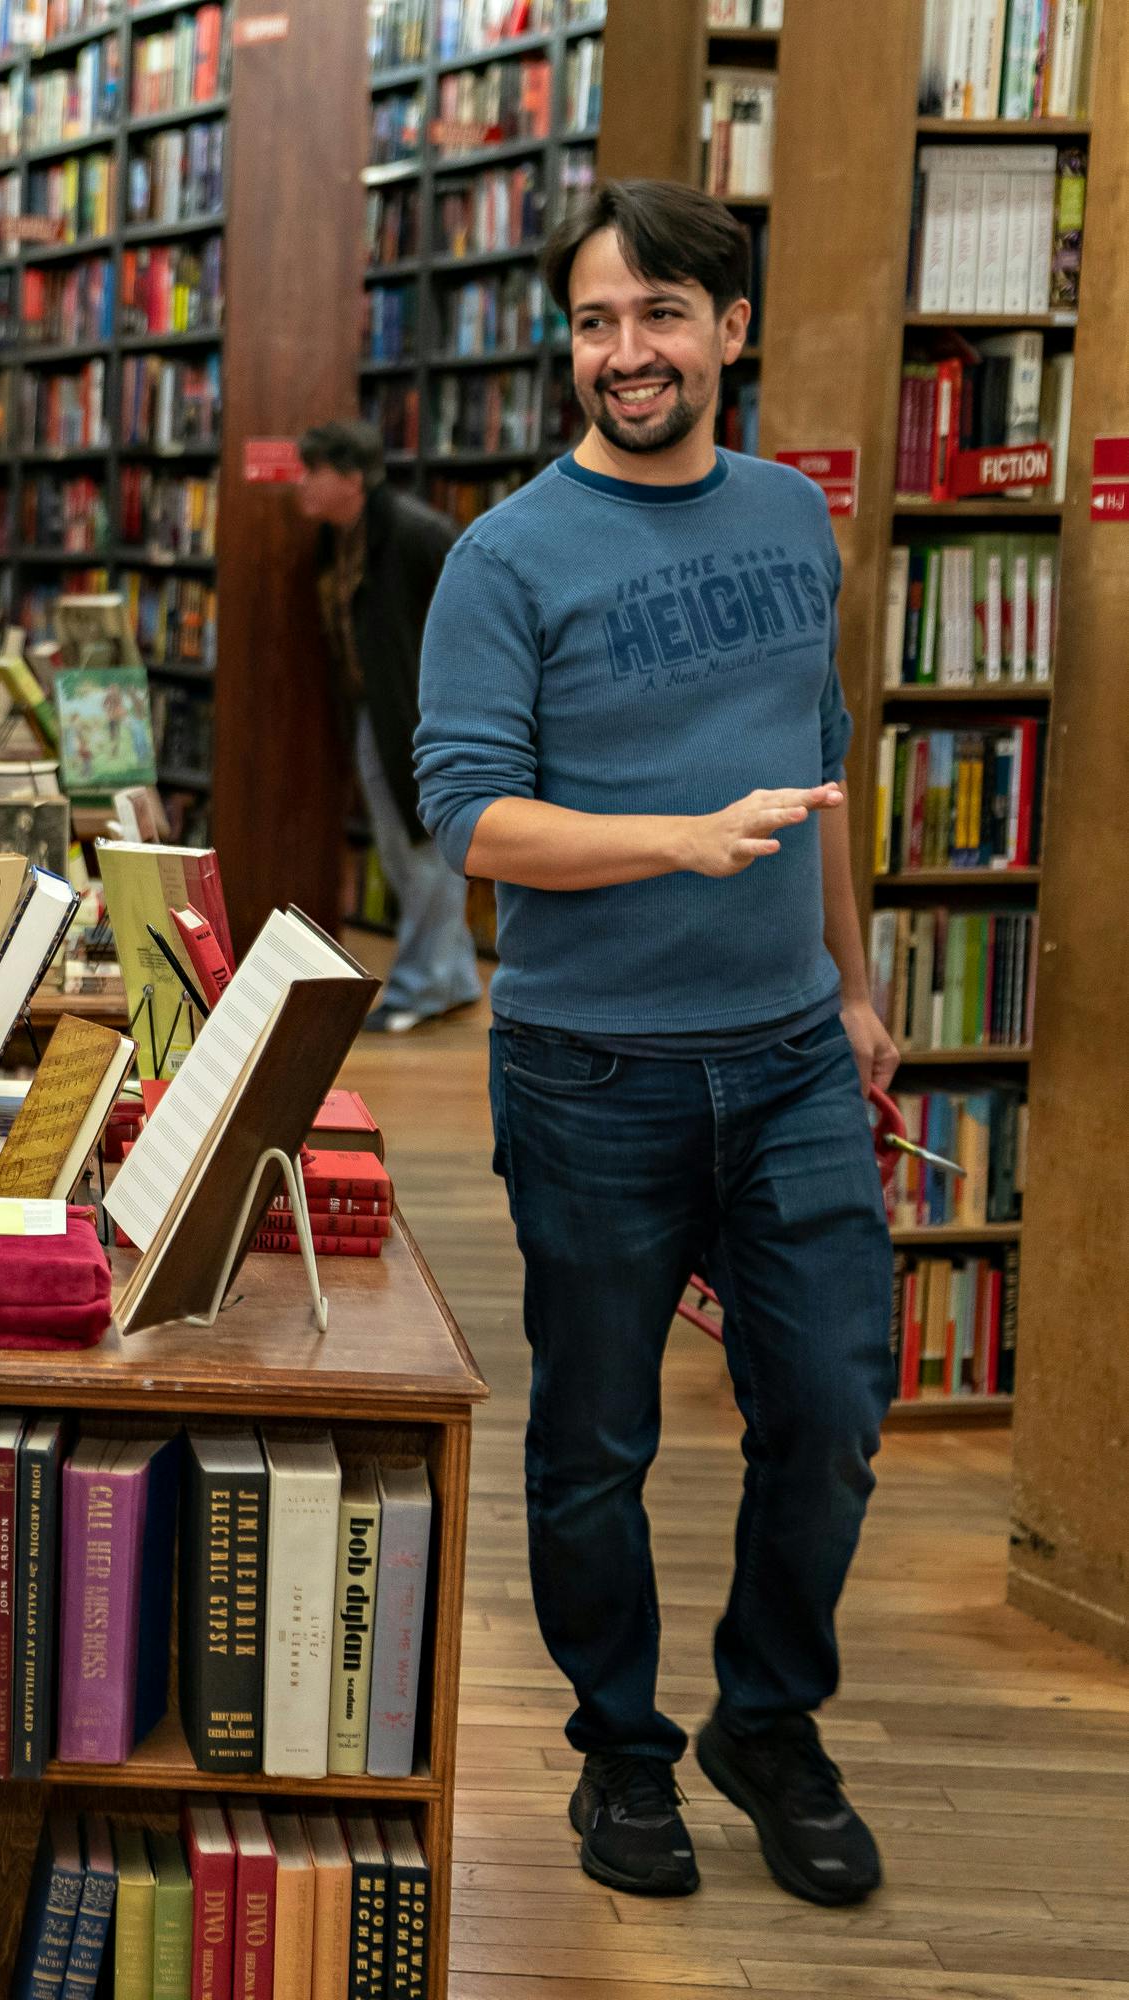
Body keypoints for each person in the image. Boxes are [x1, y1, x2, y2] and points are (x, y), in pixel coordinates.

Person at [414, 179, 896, 1911]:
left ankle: (770, 1723)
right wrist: (675, 841)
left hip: (785, 1061)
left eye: (661, 316)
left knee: (834, 1409)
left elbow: (821, 760)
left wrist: (851, 986)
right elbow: (468, 821)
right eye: (597, 322)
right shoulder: (503, 558)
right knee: (594, 1444)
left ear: (728, 331)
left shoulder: (787, 516)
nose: (627, 353)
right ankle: (620, 1752)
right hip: (590, 1072)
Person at [294, 420, 482, 1031]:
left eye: (312, 471)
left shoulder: (412, 531)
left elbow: (474, 602)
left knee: (423, 847)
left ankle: (419, 988)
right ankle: (450, 976)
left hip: (419, 715)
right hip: (376, 710)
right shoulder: (339, 535)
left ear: (349, 478)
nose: (301, 484)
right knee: (402, 852)